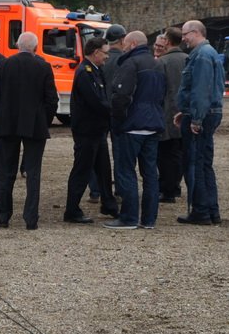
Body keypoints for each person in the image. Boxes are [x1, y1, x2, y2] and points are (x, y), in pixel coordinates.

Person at [0, 32, 58, 229]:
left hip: (7, 123)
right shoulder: (43, 66)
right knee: (33, 173)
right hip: (34, 124)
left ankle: (3, 216)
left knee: (5, 171)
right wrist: (44, 120)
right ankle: (31, 219)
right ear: (35, 47)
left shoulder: (4, 64)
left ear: (17, 45)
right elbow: (52, 99)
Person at [104, 31, 166, 230]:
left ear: (131, 44)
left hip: (132, 126)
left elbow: (121, 95)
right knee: (150, 173)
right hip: (153, 123)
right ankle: (149, 219)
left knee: (126, 171)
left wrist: (118, 121)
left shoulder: (131, 64)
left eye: (125, 43)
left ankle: (129, 217)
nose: (123, 46)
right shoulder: (157, 64)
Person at [175, 20, 227, 225]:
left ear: (195, 32)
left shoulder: (202, 55)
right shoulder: (209, 53)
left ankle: (201, 211)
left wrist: (195, 118)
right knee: (204, 163)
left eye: (185, 34)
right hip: (205, 113)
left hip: (202, 116)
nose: (183, 39)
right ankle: (211, 211)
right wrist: (186, 112)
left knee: (195, 163)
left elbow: (200, 89)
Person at [63, 37, 116, 224]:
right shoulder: (85, 72)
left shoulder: (95, 70)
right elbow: (95, 100)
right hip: (87, 130)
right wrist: (113, 111)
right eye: (105, 53)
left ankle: (109, 204)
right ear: (95, 52)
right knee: (82, 170)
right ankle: (72, 210)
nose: (107, 57)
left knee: (103, 169)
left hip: (97, 129)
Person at [156, 27, 188, 203]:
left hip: (166, 113)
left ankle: (167, 190)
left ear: (167, 41)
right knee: (180, 152)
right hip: (184, 111)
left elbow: (158, 89)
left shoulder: (162, 62)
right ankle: (175, 186)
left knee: (166, 154)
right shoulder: (188, 59)